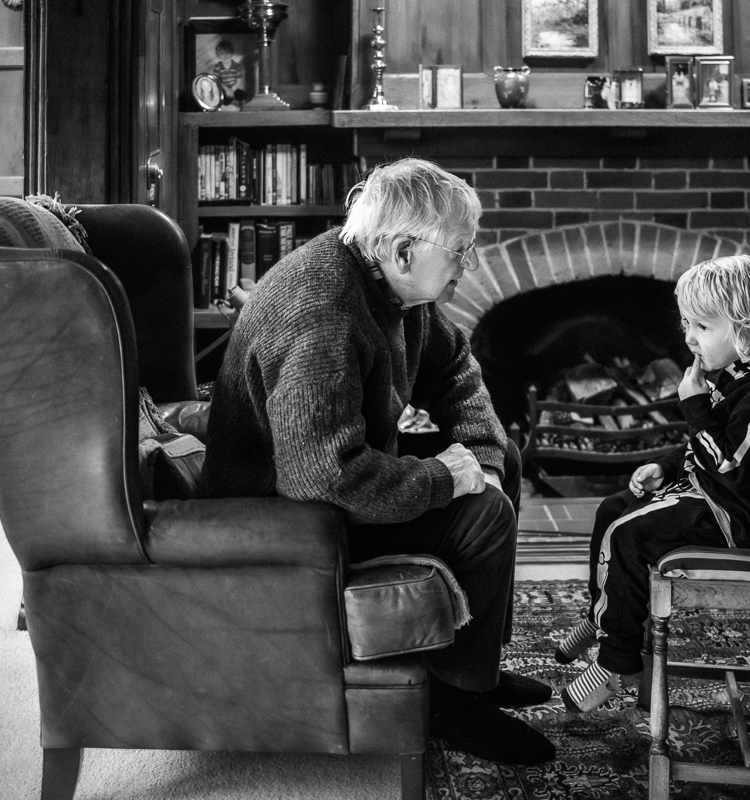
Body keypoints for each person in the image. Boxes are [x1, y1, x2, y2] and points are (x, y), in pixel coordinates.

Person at [203, 158, 556, 764]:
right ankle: (454, 705)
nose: (470, 265)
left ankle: (477, 671)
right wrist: (445, 478)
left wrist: (482, 458)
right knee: (483, 515)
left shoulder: (392, 286)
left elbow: (456, 368)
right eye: (461, 251)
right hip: (284, 515)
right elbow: (321, 477)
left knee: (504, 462)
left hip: (334, 479)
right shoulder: (322, 311)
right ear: (402, 251)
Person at [552, 254, 750, 712]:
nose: (689, 338)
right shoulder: (740, 374)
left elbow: (731, 470)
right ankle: (604, 618)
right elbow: (708, 447)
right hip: (717, 496)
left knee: (629, 533)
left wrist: (695, 405)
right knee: (612, 509)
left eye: (702, 327)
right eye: (686, 324)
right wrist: (665, 467)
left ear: (745, 329)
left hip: (744, 518)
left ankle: (617, 660)